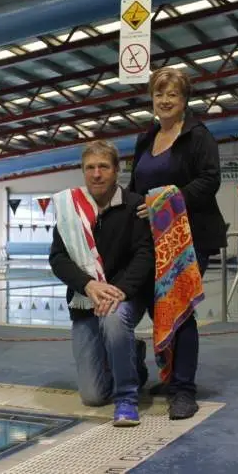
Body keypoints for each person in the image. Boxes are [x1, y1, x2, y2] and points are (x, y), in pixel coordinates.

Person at [128, 66, 227, 420]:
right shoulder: (146, 138)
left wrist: (169, 199)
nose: (165, 100)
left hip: (190, 237)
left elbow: (210, 181)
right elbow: (135, 188)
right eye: (159, 94)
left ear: (184, 100)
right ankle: (169, 376)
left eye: (172, 94)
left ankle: (184, 390)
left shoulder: (198, 136)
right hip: (152, 239)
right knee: (159, 310)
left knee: (180, 309)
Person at [49, 140, 153, 427]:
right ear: (83, 171)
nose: (96, 174)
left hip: (125, 294)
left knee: (114, 318)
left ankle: (127, 399)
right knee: (93, 396)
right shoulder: (71, 209)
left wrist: (118, 291)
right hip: (86, 299)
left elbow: (145, 254)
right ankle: (132, 358)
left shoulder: (135, 205)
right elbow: (58, 257)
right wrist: (88, 285)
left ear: (117, 170)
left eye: (103, 167)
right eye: (90, 168)